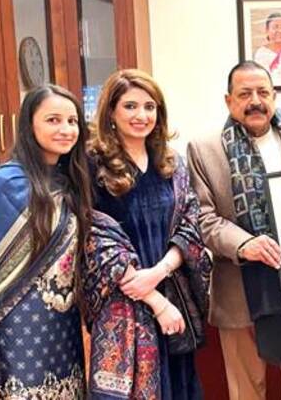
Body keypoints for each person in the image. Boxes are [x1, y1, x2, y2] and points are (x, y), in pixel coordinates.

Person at [187, 60, 281, 400]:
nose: (255, 100)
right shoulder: (204, 148)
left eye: (262, 92)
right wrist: (245, 245)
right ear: (229, 101)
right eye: (244, 94)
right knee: (246, 392)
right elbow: (203, 218)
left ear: (275, 96)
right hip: (238, 290)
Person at [0, 85, 92, 399]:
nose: (66, 129)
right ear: (29, 125)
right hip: (14, 334)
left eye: (72, 121)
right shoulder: (7, 185)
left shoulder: (69, 181)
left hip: (61, 329)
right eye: (53, 120)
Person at [88, 69, 208, 400]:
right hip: (123, 299)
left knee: (179, 385)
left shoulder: (171, 162)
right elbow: (94, 239)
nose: (141, 115)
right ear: (111, 111)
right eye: (130, 106)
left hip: (172, 291)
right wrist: (153, 299)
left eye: (149, 107)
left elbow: (190, 224)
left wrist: (159, 273)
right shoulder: (92, 164)